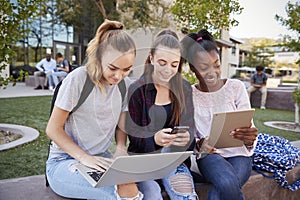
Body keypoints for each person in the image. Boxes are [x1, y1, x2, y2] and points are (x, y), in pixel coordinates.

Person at [45, 19, 160, 200]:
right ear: (98, 57)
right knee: (126, 190)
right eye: (113, 68)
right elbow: (53, 129)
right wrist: (84, 158)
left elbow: (121, 125)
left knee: (152, 190)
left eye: (126, 70)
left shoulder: (124, 86)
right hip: (65, 163)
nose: (118, 76)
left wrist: (121, 148)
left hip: (102, 159)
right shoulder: (78, 79)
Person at [180, 29, 258, 200]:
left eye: (216, 65)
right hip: (210, 155)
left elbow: (249, 126)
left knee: (222, 189)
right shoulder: (189, 95)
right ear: (192, 68)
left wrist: (250, 136)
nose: (213, 72)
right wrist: (199, 144)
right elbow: (191, 138)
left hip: (239, 154)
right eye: (204, 67)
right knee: (226, 182)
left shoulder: (236, 87)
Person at [125, 30, 198, 200]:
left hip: (173, 160)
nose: (168, 70)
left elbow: (191, 132)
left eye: (174, 65)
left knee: (186, 196)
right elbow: (134, 137)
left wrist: (187, 138)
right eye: (162, 63)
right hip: (142, 160)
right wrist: (154, 139)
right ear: (151, 58)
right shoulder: (137, 90)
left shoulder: (184, 88)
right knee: (152, 196)